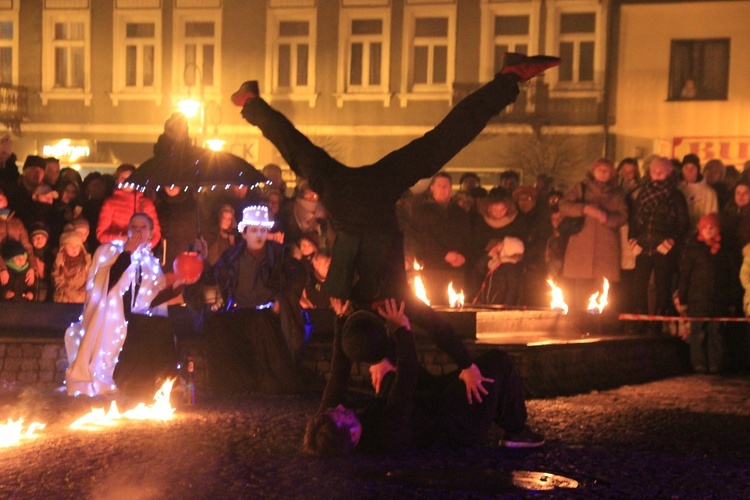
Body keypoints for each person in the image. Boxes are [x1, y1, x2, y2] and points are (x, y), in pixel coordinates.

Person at [234, 52, 560, 400]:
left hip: (373, 196)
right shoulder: (348, 310)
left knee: (441, 142)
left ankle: (509, 78)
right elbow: (337, 378)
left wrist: (467, 366)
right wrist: (357, 382)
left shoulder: (395, 304)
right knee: (297, 149)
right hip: (344, 198)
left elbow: (439, 330)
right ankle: (252, 103)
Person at [302, 298, 543, 456]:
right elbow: (406, 379)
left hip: (423, 399)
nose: (342, 406)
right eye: (343, 413)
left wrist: (341, 320)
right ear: (353, 435)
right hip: (450, 419)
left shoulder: (326, 427)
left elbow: (337, 376)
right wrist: (402, 328)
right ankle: (516, 430)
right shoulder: (388, 434)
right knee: (498, 362)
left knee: (389, 353)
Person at [65, 213, 188, 397]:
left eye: (143, 227)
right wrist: (126, 254)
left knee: (162, 326)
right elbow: (104, 284)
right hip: (109, 318)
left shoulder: (151, 263)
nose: (137, 230)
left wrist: (176, 288)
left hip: (135, 318)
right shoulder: (110, 250)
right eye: (133, 227)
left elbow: (149, 301)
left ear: (151, 234)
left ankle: (168, 383)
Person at [193, 205, 308, 394]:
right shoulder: (231, 256)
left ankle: (270, 383)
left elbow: (298, 275)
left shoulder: (278, 254)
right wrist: (203, 259)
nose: (259, 235)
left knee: (259, 323)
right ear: (244, 234)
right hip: (239, 312)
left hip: (269, 316)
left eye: (263, 230)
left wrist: (283, 298)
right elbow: (213, 279)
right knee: (216, 326)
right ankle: (231, 385)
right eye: (254, 230)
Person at [630, 156, 690, 333]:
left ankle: (658, 320)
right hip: (643, 244)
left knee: (662, 284)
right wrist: (632, 239)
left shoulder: (675, 194)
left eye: (661, 170)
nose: (657, 173)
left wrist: (671, 240)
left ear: (669, 173)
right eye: (654, 170)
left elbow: (683, 222)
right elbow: (634, 218)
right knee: (639, 283)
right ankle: (639, 318)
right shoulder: (643, 192)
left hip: (664, 246)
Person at [559, 158, 627, 312]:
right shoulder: (581, 188)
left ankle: (598, 326)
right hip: (580, 247)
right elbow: (563, 205)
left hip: (606, 249)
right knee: (580, 291)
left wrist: (607, 218)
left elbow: (623, 216)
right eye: (599, 170)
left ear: (612, 174)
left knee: (603, 292)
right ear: (593, 171)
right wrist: (584, 209)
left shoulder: (617, 193)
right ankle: (577, 322)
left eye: (606, 170)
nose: (603, 173)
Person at [675, 214, 735, 373]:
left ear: (718, 229)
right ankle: (699, 364)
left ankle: (716, 364)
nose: (709, 230)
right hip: (697, 301)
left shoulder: (725, 250)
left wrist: (732, 301)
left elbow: (731, 277)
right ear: (700, 229)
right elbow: (685, 276)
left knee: (716, 334)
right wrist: (683, 298)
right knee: (698, 334)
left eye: (712, 227)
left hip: (718, 300)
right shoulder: (693, 248)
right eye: (706, 227)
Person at [410, 172, 471, 305]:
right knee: (435, 305)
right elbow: (423, 238)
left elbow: (467, 237)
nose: (443, 189)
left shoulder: (459, 213)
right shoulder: (422, 211)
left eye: (446, 186)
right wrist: (443, 255)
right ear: (432, 188)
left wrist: (463, 256)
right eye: (440, 185)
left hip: (456, 268)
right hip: (433, 268)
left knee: (456, 306)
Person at [96, 164, 161, 249]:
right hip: (116, 253)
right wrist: (120, 237)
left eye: (131, 178)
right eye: (123, 178)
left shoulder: (146, 204)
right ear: (117, 181)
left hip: (140, 256)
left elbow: (156, 233)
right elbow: (101, 235)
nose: (127, 182)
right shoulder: (110, 203)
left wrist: (146, 247)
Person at [51, 229, 91, 303]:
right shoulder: (60, 263)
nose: (74, 248)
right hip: (65, 298)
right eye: (70, 246)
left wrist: (82, 295)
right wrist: (73, 295)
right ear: (63, 248)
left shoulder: (86, 262)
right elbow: (58, 281)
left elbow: (90, 279)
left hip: (82, 298)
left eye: (77, 246)